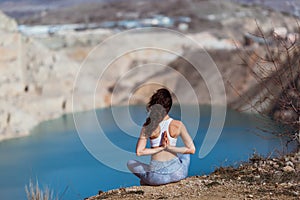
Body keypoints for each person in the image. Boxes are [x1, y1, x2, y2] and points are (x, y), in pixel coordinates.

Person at [127, 88, 195, 186]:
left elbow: (139, 152)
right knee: (185, 154)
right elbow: (191, 149)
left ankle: (146, 180)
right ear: (169, 106)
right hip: (178, 174)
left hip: (156, 178)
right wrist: (170, 148)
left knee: (130, 163)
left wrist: (159, 149)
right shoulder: (178, 124)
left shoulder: (148, 126)